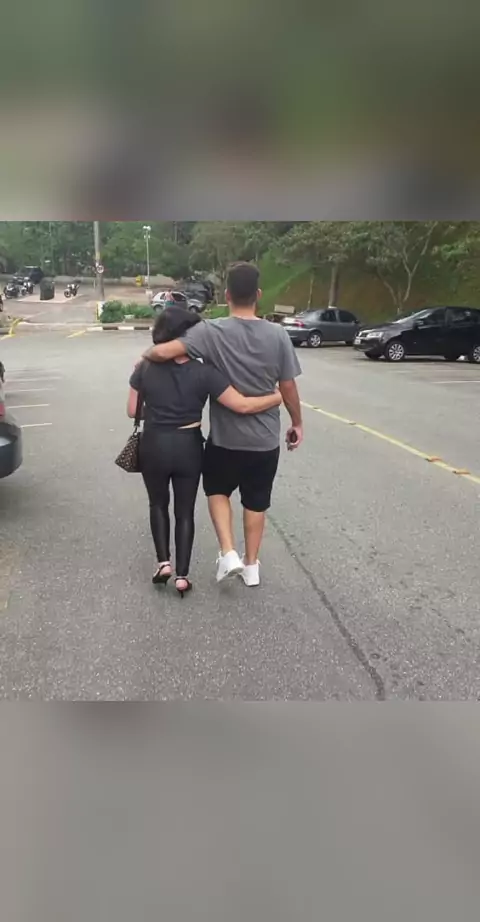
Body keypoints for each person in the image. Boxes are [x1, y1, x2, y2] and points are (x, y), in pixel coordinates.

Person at [143, 261, 303, 588]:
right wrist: (296, 422)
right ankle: (252, 565)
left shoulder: (210, 331)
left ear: (227, 294)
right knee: (256, 501)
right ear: (258, 294)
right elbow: (288, 386)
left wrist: (146, 356)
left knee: (217, 491)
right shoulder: (277, 334)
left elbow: (163, 352)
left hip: (224, 439)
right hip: (264, 440)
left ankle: (228, 552)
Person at [128, 305, 283, 598]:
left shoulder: (144, 367)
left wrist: (161, 411)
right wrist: (276, 397)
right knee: (184, 511)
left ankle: (164, 563)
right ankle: (182, 576)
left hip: (154, 443)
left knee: (157, 504)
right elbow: (242, 405)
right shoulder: (205, 372)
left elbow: (131, 410)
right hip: (188, 445)